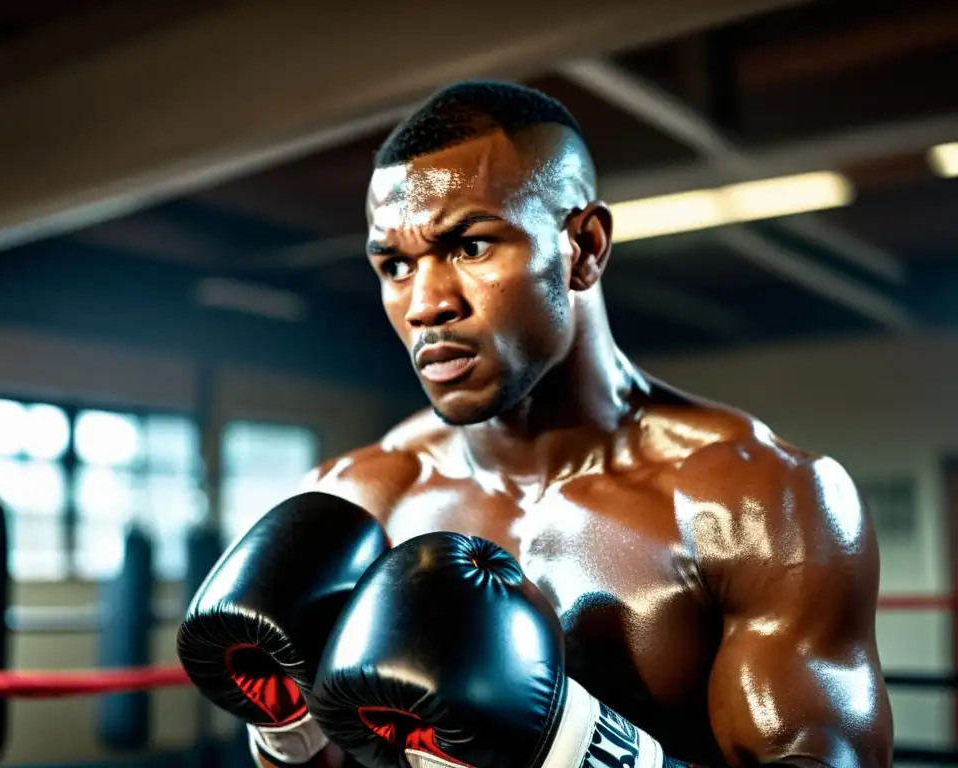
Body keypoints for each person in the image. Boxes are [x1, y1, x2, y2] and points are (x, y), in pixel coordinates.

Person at [177, 81, 893, 768]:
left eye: (470, 246)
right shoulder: (357, 499)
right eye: (395, 264)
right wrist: (288, 734)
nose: (426, 303)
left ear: (583, 247)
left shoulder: (759, 501)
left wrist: (572, 748)